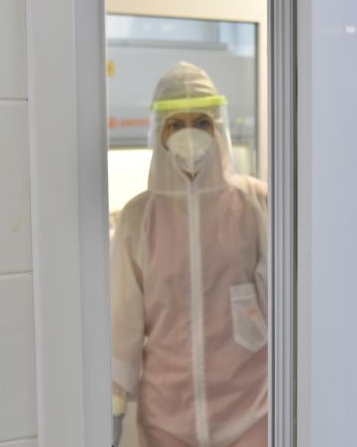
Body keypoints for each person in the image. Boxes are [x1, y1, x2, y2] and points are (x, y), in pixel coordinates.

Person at [111, 62, 268, 447]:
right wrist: (114, 407)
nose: (189, 133)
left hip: (252, 412)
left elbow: (286, 306)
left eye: (201, 122)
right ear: (159, 133)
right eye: (175, 124)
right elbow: (123, 321)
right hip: (168, 419)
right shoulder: (139, 217)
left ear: (218, 129)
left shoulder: (255, 203)